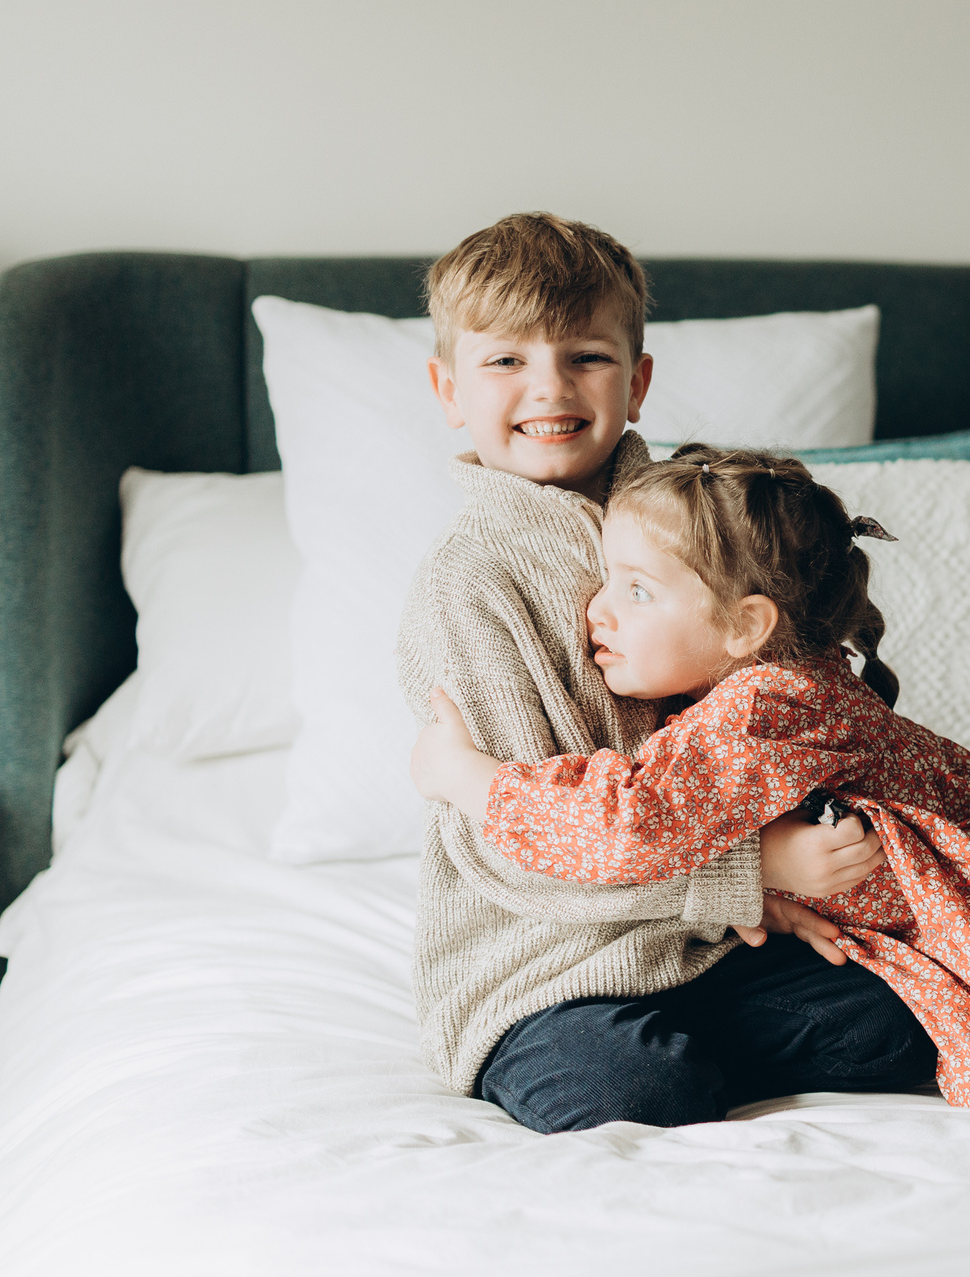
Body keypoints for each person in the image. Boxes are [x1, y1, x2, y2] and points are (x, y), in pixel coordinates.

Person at [410, 443, 970, 1112]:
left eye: (636, 590)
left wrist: (467, 776)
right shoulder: (779, 678)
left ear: (746, 624)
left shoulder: (765, 705)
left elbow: (626, 826)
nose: (597, 609)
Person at [399, 213, 935, 1135]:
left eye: (586, 357)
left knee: (931, 1007)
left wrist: (783, 876)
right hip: (546, 964)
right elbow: (519, 841)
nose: (550, 388)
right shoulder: (468, 586)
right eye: (506, 362)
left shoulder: (699, 520)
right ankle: (649, 1058)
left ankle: (717, 1038)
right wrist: (752, 868)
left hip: (711, 943)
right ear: (449, 387)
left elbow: (764, 704)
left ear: (638, 380)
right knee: (638, 1092)